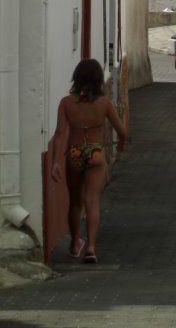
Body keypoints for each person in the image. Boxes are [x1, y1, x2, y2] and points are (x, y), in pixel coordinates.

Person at [50, 58, 126, 263]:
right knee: (91, 202)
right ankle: (91, 248)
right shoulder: (103, 103)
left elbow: (59, 133)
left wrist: (56, 162)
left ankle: (75, 243)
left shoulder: (66, 103)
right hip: (95, 152)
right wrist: (120, 144)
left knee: (75, 203)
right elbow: (122, 130)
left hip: (75, 153)